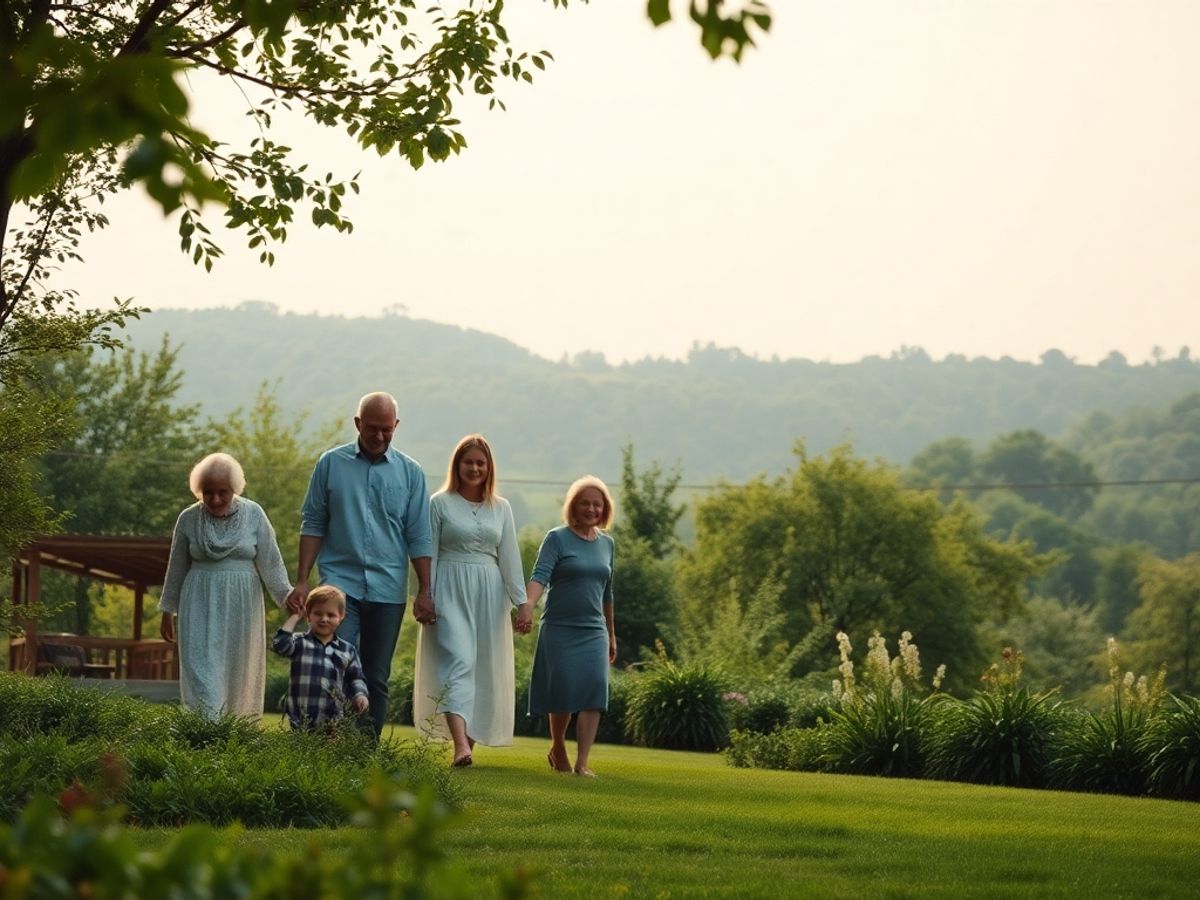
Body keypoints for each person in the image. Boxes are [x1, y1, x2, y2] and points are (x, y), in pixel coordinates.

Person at [286, 392, 434, 738]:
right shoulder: (330, 464)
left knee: (374, 676)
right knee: (334, 666)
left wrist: (425, 591)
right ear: (357, 424)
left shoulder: (411, 473)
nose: (380, 436)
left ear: (396, 426)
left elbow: (419, 536)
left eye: (387, 429)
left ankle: (363, 753)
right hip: (341, 585)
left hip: (388, 588)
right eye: (372, 429)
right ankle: (326, 747)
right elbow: (313, 523)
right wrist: (303, 581)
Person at [413, 435, 527, 767]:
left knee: (484, 668)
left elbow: (509, 558)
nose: (475, 468)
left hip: (490, 593)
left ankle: (467, 749)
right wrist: (424, 594)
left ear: (489, 466)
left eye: (480, 462)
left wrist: (523, 603)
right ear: (457, 465)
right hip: (449, 588)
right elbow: (427, 553)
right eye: (468, 462)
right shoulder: (439, 503)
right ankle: (460, 744)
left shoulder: (501, 508)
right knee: (458, 661)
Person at [159, 452, 292, 718]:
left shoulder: (254, 514)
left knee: (237, 671)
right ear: (199, 490)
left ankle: (234, 739)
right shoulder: (188, 518)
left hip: (242, 604)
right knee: (202, 672)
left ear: (235, 489)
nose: (216, 499)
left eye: (223, 492)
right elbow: (176, 568)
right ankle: (204, 736)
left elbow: (271, 563)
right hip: (198, 600)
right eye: (209, 492)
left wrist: (287, 597)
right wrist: (167, 610)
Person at [515, 475, 617, 777]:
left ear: (604, 508)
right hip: (560, 627)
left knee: (594, 693)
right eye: (584, 503)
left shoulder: (607, 544)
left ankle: (582, 762)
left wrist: (611, 634)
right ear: (574, 506)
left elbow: (608, 593)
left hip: (594, 630)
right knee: (562, 690)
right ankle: (557, 745)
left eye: (597, 504)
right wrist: (527, 607)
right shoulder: (557, 538)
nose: (591, 509)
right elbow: (540, 576)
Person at [272, 584, 370, 730]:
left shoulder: (348, 650)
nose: (324, 619)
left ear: (341, 617)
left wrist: (360, 695)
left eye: (331, 615)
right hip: (300, 718)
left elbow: (356, 677)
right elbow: (280, 645)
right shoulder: (299, 643)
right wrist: (294, 617)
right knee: (301, 751)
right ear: (308, 615)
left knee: (328, 751)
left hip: (333, 720)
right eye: (318, 613)